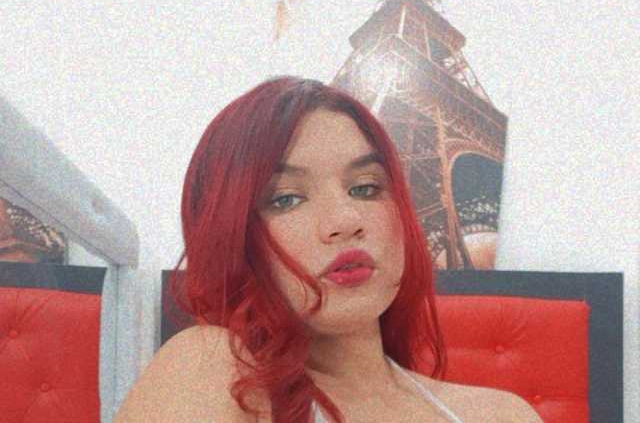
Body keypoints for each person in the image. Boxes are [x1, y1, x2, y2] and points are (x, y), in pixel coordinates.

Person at [115, 76, 542, 422]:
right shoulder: (214, 371)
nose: (345, 220)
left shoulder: (504, 414)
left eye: (365, 188)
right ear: (231, 235)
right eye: (286, 198)